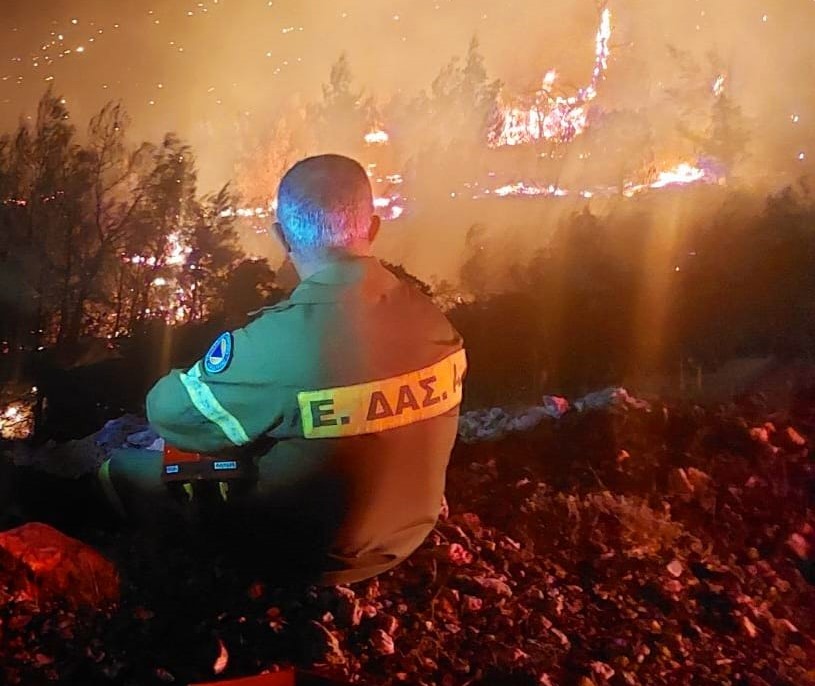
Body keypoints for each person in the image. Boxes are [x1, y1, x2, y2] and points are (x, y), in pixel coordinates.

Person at [99, 154, 466, 585]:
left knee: (121, 468)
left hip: (309, 554)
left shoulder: (279, 342)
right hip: (405, 536)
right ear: (373, 227)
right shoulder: (433, 321)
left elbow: (172, 415)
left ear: (281, 237)